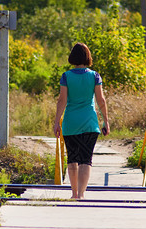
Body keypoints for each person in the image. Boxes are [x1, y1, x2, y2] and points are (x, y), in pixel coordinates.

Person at [53, 43, 110, 199]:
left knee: (72, 159)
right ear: (88, 57)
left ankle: (73, 194)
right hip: (90, 123)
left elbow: (61, 101)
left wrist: (56, 122)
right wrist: (106, 121)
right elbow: (101, 101)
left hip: (70, 123)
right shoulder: (95, 76)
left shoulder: (66, 76)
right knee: (86, 159)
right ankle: (82, 194)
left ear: (72, 57)